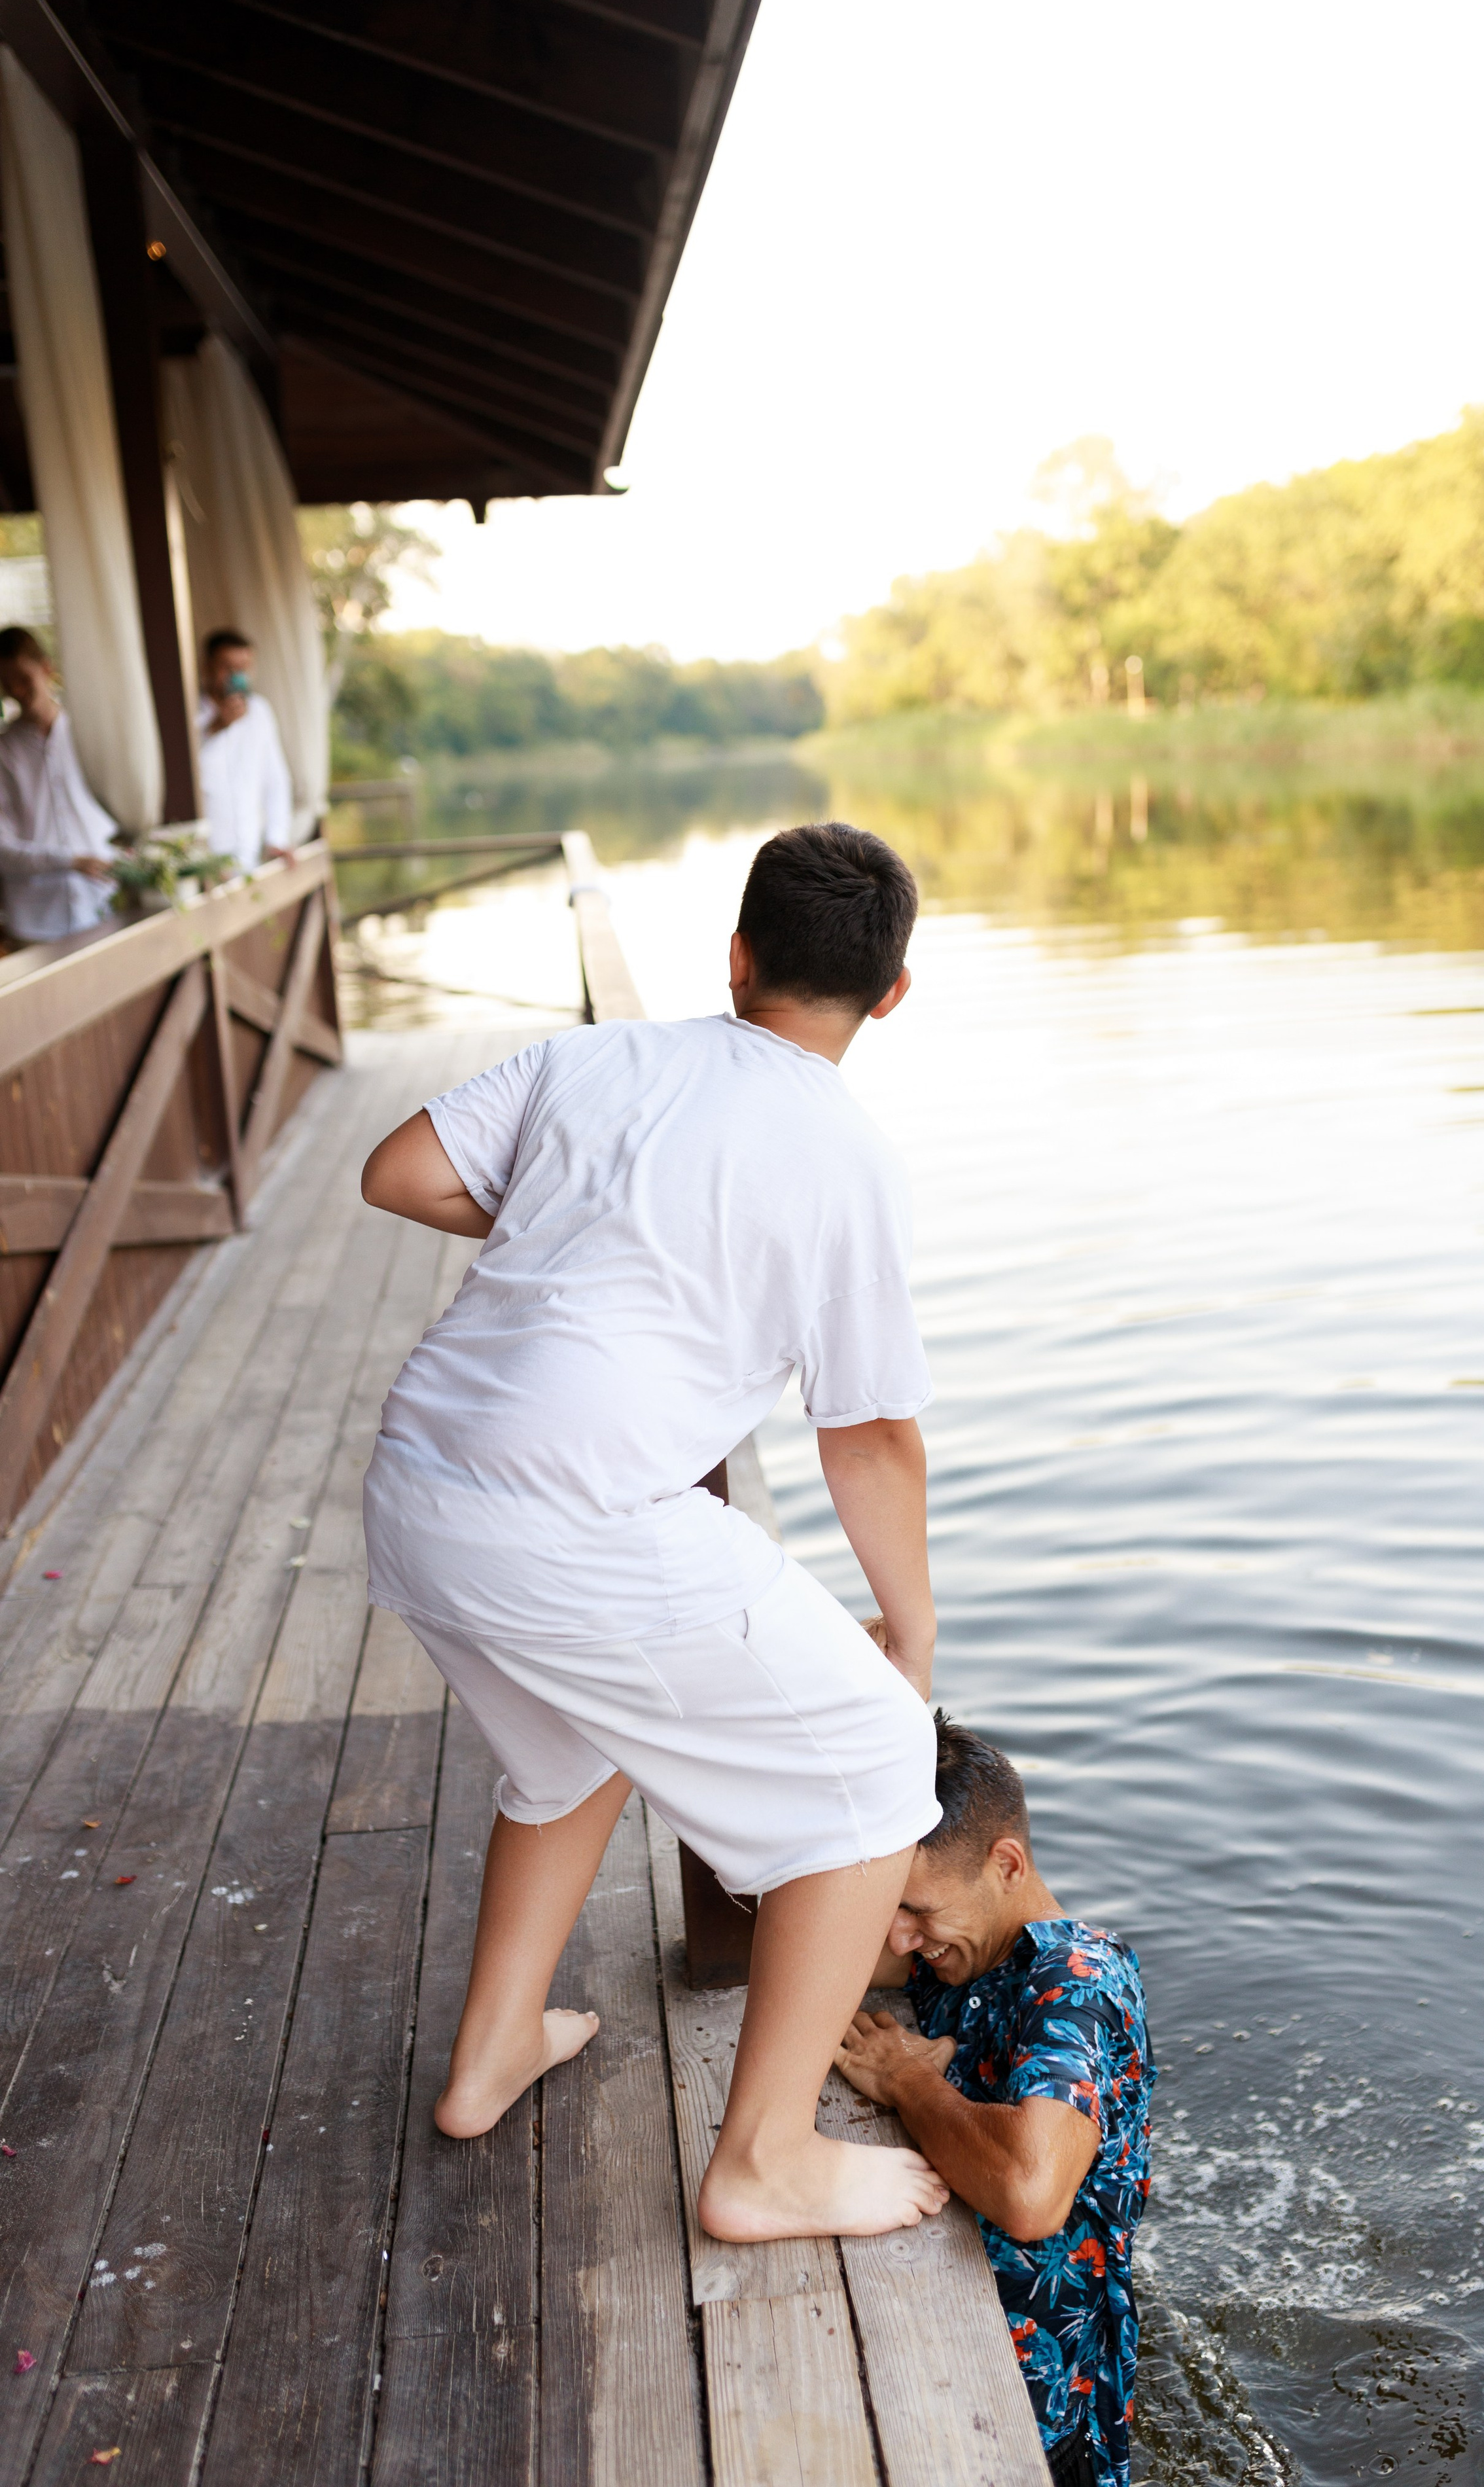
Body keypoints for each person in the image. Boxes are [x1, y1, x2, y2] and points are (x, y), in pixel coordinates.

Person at [359, 820, 952, 2242]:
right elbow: (866, 1431)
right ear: (891, 994)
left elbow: (397, 1171)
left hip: (421, 1484)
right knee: (873, 1765)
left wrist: (579, 1225)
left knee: (572, 1746)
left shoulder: (596, 1061)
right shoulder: (846, 1156)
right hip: (573, 1523)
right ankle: (762, 2160)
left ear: (736, 959)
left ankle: (492, 2051)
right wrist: (910, 1636)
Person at [835, 1717, 1156, 2487]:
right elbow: (818, 1937)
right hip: (959, 2319)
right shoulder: (968, 1948)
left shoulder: (1076, 1984)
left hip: (1045, 2397)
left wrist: (910, 2082)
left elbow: (1030, 2194)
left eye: (918, 1909)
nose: (903, 1937)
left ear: (1005, 1863)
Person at [0, 624, 116, 943]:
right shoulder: (4, 752)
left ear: (47, 669)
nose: (18, 693)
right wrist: (70, 861)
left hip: (103, 904)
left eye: (24, 679)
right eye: (8, 684)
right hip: (37, 922)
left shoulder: (89, 732)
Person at [196, 627, 294, 872]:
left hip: (250, 851)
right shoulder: (193, 713)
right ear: (207, 667)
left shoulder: (260, 711)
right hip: (206, 857)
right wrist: (216, 728)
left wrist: (277, 837)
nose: (235, 676)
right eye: (227, 667)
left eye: (243, 668)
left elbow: (275, 778)